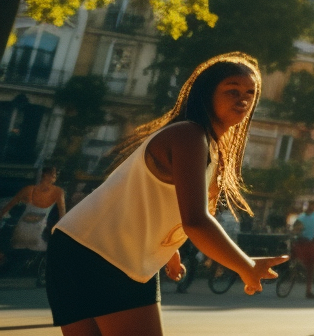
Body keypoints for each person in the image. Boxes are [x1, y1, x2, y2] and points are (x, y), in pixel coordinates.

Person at [44, 53, 287, 335]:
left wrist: (167, 249)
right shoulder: (189, 135)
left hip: (73, 246)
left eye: (250, 93)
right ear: (206, 94)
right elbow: (196, 220)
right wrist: (246, 266)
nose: (242, 99)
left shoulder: (204, 143)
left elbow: (144, 196)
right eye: (232, 90)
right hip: (107, 254)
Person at [1, 165, 66, 280]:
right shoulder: (32, 190)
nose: (55, 177)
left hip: (33, 230)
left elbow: (62, 212)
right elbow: (10, 205)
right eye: (53, 174)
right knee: (19, 254)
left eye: (55, 175)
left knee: (21, 255)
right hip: (25, 229)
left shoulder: (56, 192)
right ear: (45, 175)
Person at [291, 201, 314, 299]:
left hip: (312, 243)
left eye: (313, 205)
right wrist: (297, 231)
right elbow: (295, 229)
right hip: (303, 242)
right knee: (294, 258)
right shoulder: (300, 217)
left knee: (311, 268)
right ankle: (293, 270)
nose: (311, 207)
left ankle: (308, 290)